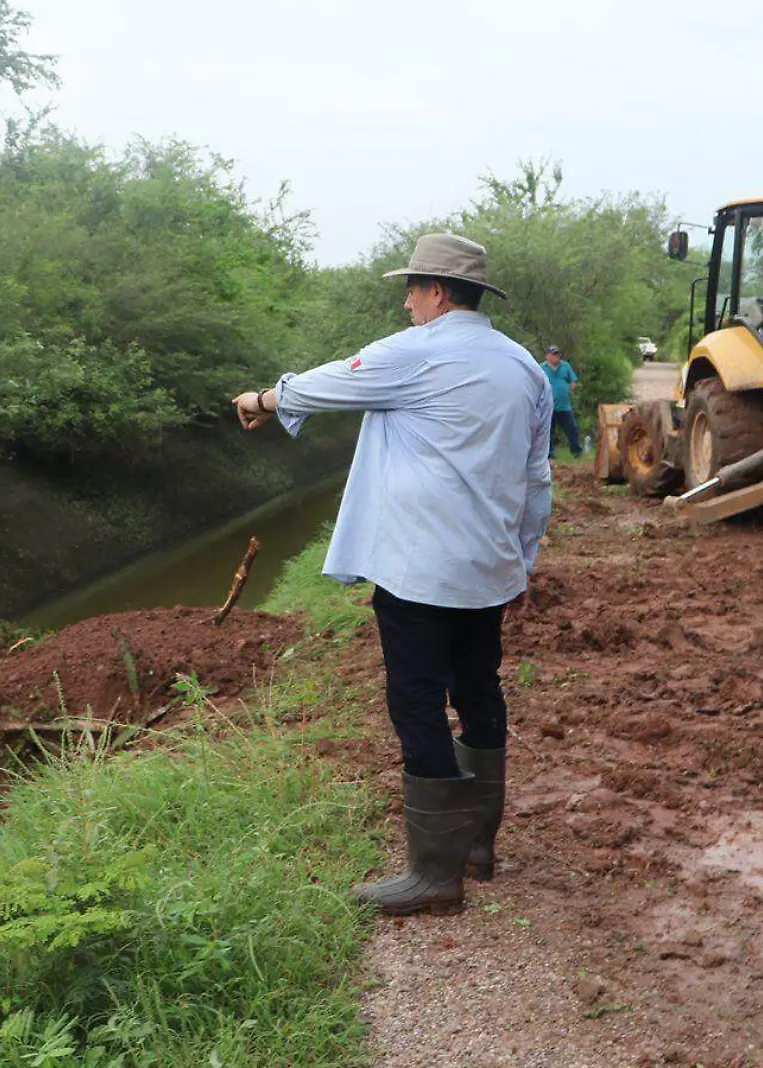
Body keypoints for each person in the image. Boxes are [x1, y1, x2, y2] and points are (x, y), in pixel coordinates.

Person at [231, 233, 552, 916]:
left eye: (411, 289)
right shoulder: (524, 367)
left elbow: (327, 385)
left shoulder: (414, 353)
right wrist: (522, 560)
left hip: (419, 569)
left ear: (437, 292)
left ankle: (436, 874)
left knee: (415, 699)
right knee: (477, 688)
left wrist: (263, 399)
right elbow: (537, 478)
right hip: (488, 565)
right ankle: (477, 845)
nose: (407, 302)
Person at [542, 345, 583, 458]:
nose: (557, 357)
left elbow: (573, 379)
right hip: (549, 406)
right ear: (548, 356)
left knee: (572, 428)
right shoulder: (542, 368)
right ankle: (549, 454)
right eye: (554, 354)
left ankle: (576, 451)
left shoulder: (565, 366)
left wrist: (572, 386)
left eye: (558, 354)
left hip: (565, 406)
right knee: (548, 431)